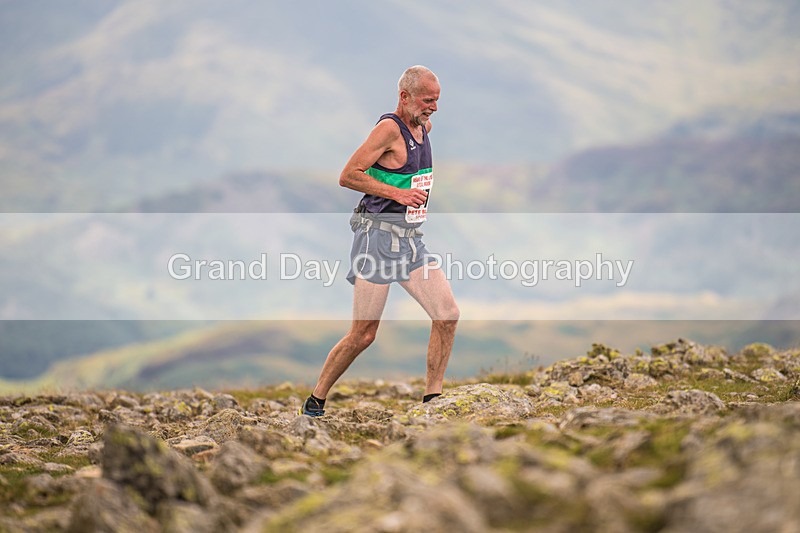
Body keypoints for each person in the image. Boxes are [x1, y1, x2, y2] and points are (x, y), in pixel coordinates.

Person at [300, 65, 460, 416]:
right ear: (405, 97)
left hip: (410, 241)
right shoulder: (388, 129)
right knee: (364, 335)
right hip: (376, 239)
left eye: (436, 101)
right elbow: (348, 175)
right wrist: (396, 195)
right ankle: (316, 400)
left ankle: (432, 401)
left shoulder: (424, 127)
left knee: (447, 315)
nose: (433, 108)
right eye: (427, 100)